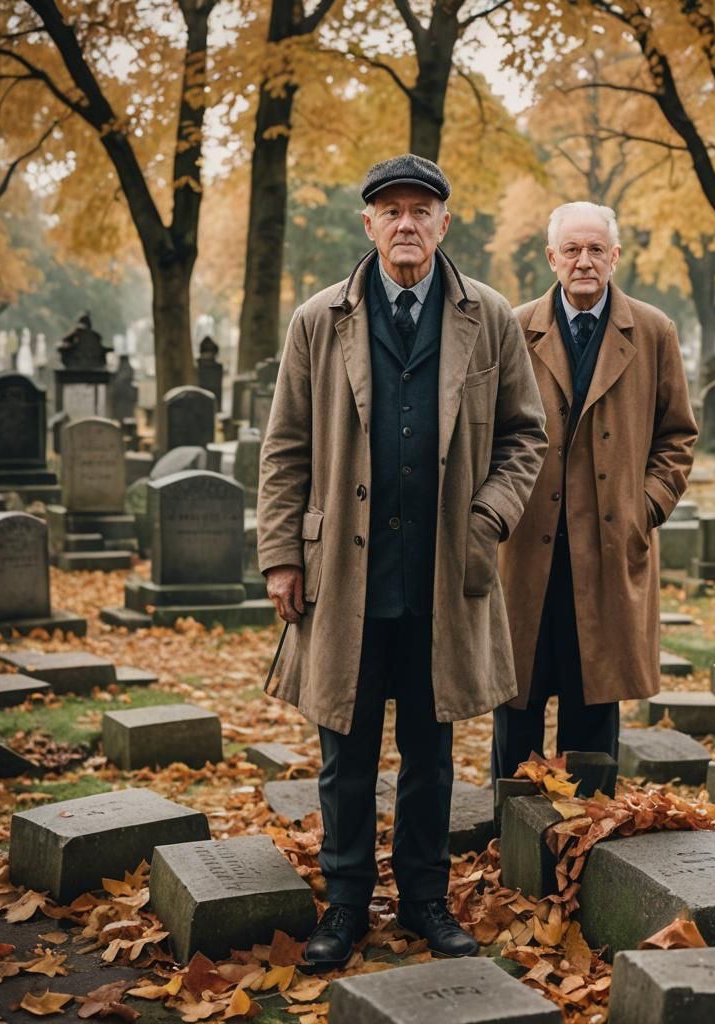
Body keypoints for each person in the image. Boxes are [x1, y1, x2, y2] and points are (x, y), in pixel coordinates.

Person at [257, 154, 547, 967]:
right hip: (342, 579)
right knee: (344, 755)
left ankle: (424, 899)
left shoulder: (487, 316)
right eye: (392, 211)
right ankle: (345, 906)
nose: (408, 223)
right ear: (369, 225)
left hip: (445, 578)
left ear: (445, 223)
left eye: (423, 209)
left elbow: (527, 434)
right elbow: (284, 446)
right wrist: (283, 555)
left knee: (430, 751)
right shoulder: (320, 319)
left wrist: (489, 516)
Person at [492, 201, 698, 780]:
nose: (585, 262)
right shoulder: (514, 325)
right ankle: (516, 838)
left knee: (593, 706)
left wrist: (645, 507)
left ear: (615, 256)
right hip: (528, 548)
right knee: (518, 703)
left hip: (609, 550)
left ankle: (591, 842)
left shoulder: (653, 330)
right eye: (572, 251)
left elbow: (677, 435)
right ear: (552, 258)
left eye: (596, 250)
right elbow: (486, 431)